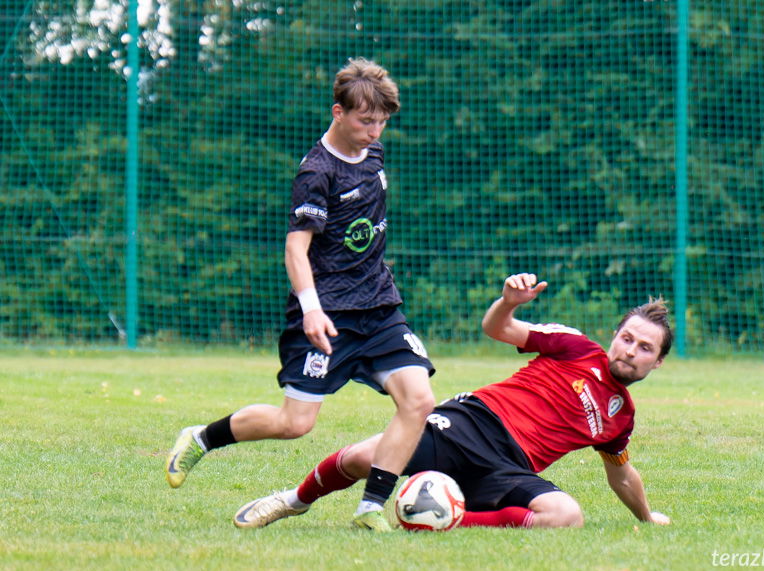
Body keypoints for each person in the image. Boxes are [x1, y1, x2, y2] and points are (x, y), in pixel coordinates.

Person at [165, 57, 436, 532]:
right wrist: (312, 308)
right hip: (327, 316)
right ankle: (202, 438)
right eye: (364, 120)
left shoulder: (374, 154)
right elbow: (296, 249)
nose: (374, 131)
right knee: (295, 424)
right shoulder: (317, 173)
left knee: (418, 400)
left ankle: (371, 508)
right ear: (337, 112)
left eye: (381, 121)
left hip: (379, 308)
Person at [232, 273, 673, 530]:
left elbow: (621, 475)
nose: (631, 350)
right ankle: (294, 499)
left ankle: (443, 515)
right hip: (472, 423)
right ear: (615, 336)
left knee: (565, 516)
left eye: (645, 348)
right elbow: (499, 330)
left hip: (509, 467)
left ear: (657, 363)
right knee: (367, 456)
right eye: (628, 338)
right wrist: (507, 302)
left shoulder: (621, 420)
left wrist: (648, 517)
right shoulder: (575, 347)